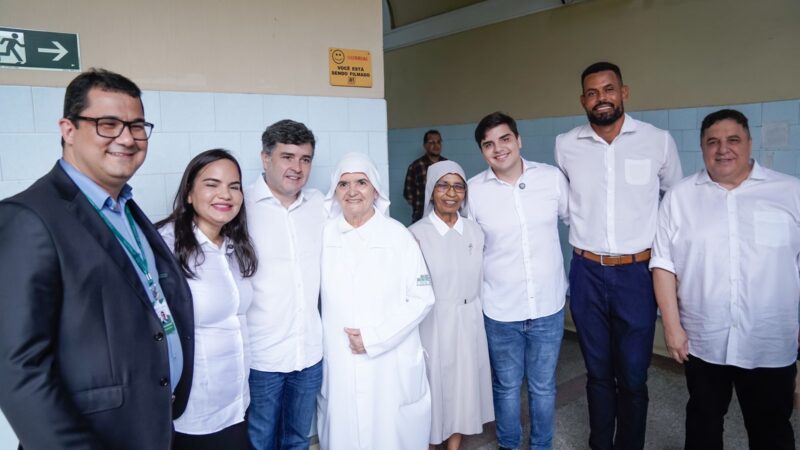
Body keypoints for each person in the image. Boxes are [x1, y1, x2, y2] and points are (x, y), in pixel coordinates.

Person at [0, 68, 194, 449]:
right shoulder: (29, 217)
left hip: (147, 427)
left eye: (137, 126)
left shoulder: (126, 209)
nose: (126, 138)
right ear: (68, 130)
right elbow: (18, 368)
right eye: (108, 124)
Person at [651, 109, 799, 450]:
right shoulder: (680, 198)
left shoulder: (790, 193)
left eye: (733, 139)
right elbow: (663, 265)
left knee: (772, 429)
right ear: (702, 148)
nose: (723, 149)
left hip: (769, 339)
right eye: (712, 142)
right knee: (703, 425)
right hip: (704, 339)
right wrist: (671, 328)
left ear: (749, 142)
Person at [554, 61, 682, 450]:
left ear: (624, 92)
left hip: (636, 274)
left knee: (633, 375)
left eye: (608, 89)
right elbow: (564, 203)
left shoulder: (657, 141)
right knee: (596, 372)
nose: (601, 98)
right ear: (583, 100)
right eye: (592, 93)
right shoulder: (566, 144)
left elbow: (674, 202)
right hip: (587, 271)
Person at [317, 152, 435, 450]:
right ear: (335, 191)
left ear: (376, 190)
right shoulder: (323, 236)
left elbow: (422, 297)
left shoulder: (399, 237)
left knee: (390, 436)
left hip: (390, 361)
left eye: (361, 182)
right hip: (340, 361)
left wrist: (374, 338)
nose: (352, 191)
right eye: (343, 184)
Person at [468, 112, 569, 450]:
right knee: (507, 386)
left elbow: (574, 221)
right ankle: (509, 445)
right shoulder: (473, 191)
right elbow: (465, 244)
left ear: (518, 139)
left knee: (543, 387)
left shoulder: (551, 179)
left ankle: (541, 445)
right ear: (482, 151)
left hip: (547, 304)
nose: (498, 149)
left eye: (504, 139)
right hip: (499, 308)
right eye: (488, 144)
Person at [157, 149, 257, 450]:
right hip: (194, 411)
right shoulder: (165, 246)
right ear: (189, 194)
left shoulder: (234, 247)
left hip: (238, 403)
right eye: (212, 184)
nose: (224, 194)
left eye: (234, 186)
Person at [245, 119, 325, 450]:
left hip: (308, 352)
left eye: (305, 159)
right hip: (262, 355)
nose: (297, 167)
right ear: (266, 158)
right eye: (287, 157)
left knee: (296, 440)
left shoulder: (321, 204)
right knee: (260, 441)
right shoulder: (241, 205)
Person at [409, 160, 494, 450]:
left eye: (458, 186)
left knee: (464, 387)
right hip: (432, 324)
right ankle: (431, 443)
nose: (450, 193)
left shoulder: (475, 232)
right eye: (443, 185)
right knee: (434, 387)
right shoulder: (415, 235)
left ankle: (454, 444)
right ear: (432, 190)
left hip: (468, 321)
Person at [404, 129, 447, 223]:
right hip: (421, 218)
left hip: (445, 217)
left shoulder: (447, 165)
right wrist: (421, 206)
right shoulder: (416, 166)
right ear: (425, 146)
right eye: (432, 142)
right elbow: (408, 194)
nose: (436, 146)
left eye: (438, 142)